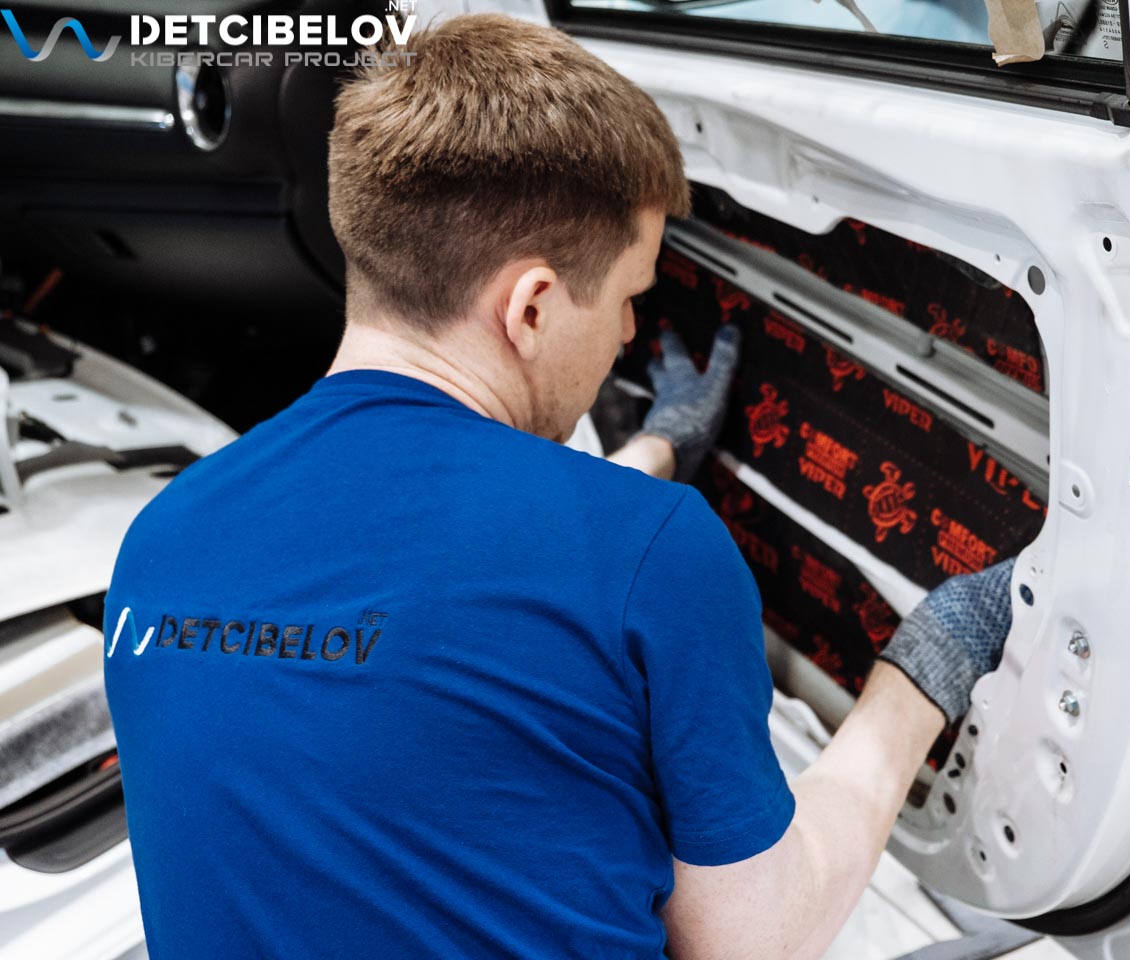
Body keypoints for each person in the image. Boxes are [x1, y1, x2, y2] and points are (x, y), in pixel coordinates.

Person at [103, 14, 1014, 960]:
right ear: (530, 306)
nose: (627, 334)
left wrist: (650, 457)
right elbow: (756, 941)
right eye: (628, 297)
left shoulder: (164, 538)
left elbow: (416, 624)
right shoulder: (651, 550)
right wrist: (923, 673)